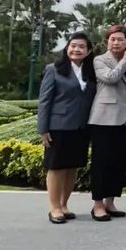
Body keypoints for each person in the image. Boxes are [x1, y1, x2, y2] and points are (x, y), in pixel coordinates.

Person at [38, 32, 97, 224]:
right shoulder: (53, 69)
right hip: (58, 126)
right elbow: (44, 100)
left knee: (72, 167)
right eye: (73, 45)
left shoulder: (90, 72)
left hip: (81, 126)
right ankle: (54, 208)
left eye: (81, 46)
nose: (76, 49)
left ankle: (64, 205)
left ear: (88, 51)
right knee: (56, 167)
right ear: (67, 48)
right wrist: (43, 129)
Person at [87, 25, 126, 221]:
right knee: (101, 162)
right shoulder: (99, 60)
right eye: (113, 39)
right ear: (107, 41)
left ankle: (110, 201)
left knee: (119, 162)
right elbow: (110, 78)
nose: (116, 42)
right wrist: (125, 60)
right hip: (104, 118)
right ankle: (98, 204)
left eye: (120, 39)